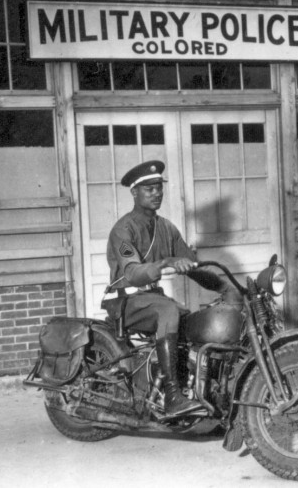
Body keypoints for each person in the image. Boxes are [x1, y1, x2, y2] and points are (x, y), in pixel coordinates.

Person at [106, 160, 229, 417]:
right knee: (168, 312)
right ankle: (173, 397)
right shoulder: (123, 229)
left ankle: (194, 388)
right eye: (149, 189)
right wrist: (165, 262)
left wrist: (224, 287)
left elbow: (193, 266)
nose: (156, 193)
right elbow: (133, 272)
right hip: (125, 301)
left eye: (159, 187)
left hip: (151, 298)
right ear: (135, 192)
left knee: (194, 321)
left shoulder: (167, 228)